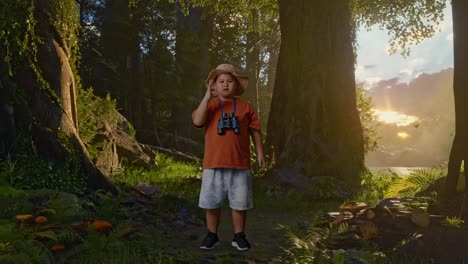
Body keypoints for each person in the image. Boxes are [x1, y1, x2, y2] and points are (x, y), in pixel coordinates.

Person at [192, 64, 265, 251]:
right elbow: (197, 121)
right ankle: (211, 234)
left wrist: (260, 152)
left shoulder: (245, 107)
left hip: (240, 163)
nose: (225, 85)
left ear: (236, 86)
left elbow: (255, 130)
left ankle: (239, 235)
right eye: (221, 82)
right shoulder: (209, 105)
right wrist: (207, 96)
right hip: (213, 162)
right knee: (211, 201)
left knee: (240, 203)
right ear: (213, 86)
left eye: (230, 81)